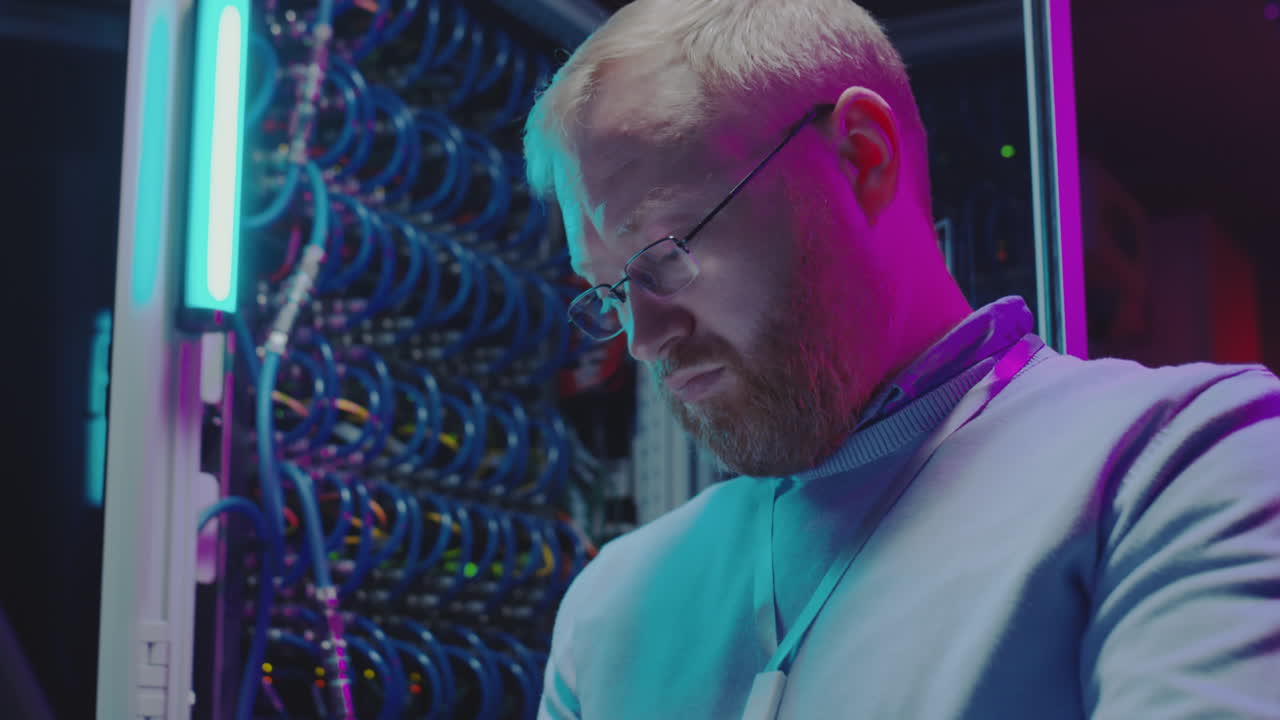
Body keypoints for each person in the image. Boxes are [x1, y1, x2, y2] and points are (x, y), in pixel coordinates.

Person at [521, 1, 1280, 717]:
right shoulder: (610, 608)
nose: (643, 337)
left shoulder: (1186, 461)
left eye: (666, 252)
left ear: (861, 157)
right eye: (611, 291)